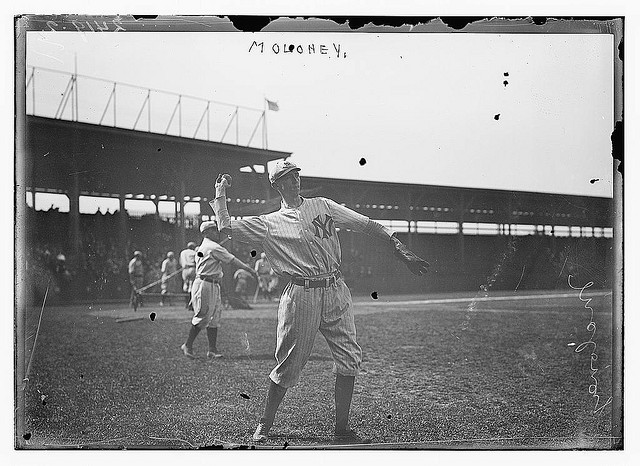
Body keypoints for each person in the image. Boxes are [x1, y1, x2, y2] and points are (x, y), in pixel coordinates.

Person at [211, 161, 429, 444]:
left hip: (335, 288)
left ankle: (342, 430)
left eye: (297, 175)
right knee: (289, 364)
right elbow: (225, 230)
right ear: (277, 185)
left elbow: (365, 223)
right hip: (301, 294)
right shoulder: (268, 223)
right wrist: (220, 195)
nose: (296, 181)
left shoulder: (323, 205)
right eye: (288, 178)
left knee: (349, 357)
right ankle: (265, 424)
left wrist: (399, 247)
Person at [181, 220, 258, 360]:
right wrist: (249, 269)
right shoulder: (212, 247)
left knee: (215, 316)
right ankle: (187, 345)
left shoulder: (207, 246)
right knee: (203, 316)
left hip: (213, 283)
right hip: (205, 283)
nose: (216, 232)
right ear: (205, 233)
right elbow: (233, 260)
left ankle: (212, 350)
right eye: (213, 230)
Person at [180, 242, 197, 310]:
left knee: (185, 286)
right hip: (192, 268)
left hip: (185, 270)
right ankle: (191, 304)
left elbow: (181, 261)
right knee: (191, 286)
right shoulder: (194, 253)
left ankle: (186, 303)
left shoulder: (183, 252)